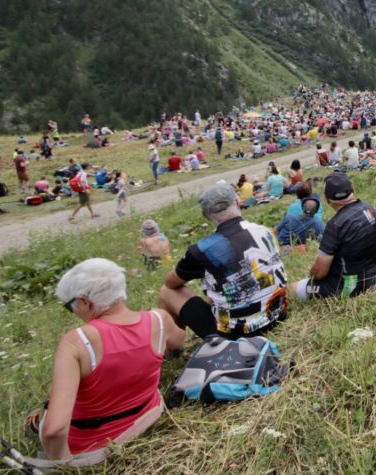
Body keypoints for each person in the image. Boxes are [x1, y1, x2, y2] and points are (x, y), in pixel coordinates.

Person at [29, 258, 184, 463]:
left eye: (70, 307)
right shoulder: (159, 320)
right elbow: (178, 340)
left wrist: (66, 467)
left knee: (46, 407)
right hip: (148, 419)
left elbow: (54, 430)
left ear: (85, 301)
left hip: (93, 450)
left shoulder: (77, 342)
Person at [158, 183, 289, 338]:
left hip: (234, 333)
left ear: (205, 215)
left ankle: (174, 346)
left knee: (166, 292)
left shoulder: (202, 250)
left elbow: (171, 283)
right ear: (237, 202)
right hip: (278, 314)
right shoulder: (265, 231)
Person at [290, 173, 376, 300]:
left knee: (291, 289)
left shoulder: (335, 225)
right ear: (353, 190)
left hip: (349, 287)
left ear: (328, 200)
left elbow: (319, 273)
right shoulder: (369, 208)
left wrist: (310, 274)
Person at [275, 182, 324, 251]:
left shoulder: (290, 214)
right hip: (304, 240)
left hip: (283, 242)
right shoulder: (317, 221)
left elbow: (277, 230)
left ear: (302, 207)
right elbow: (321, 239)